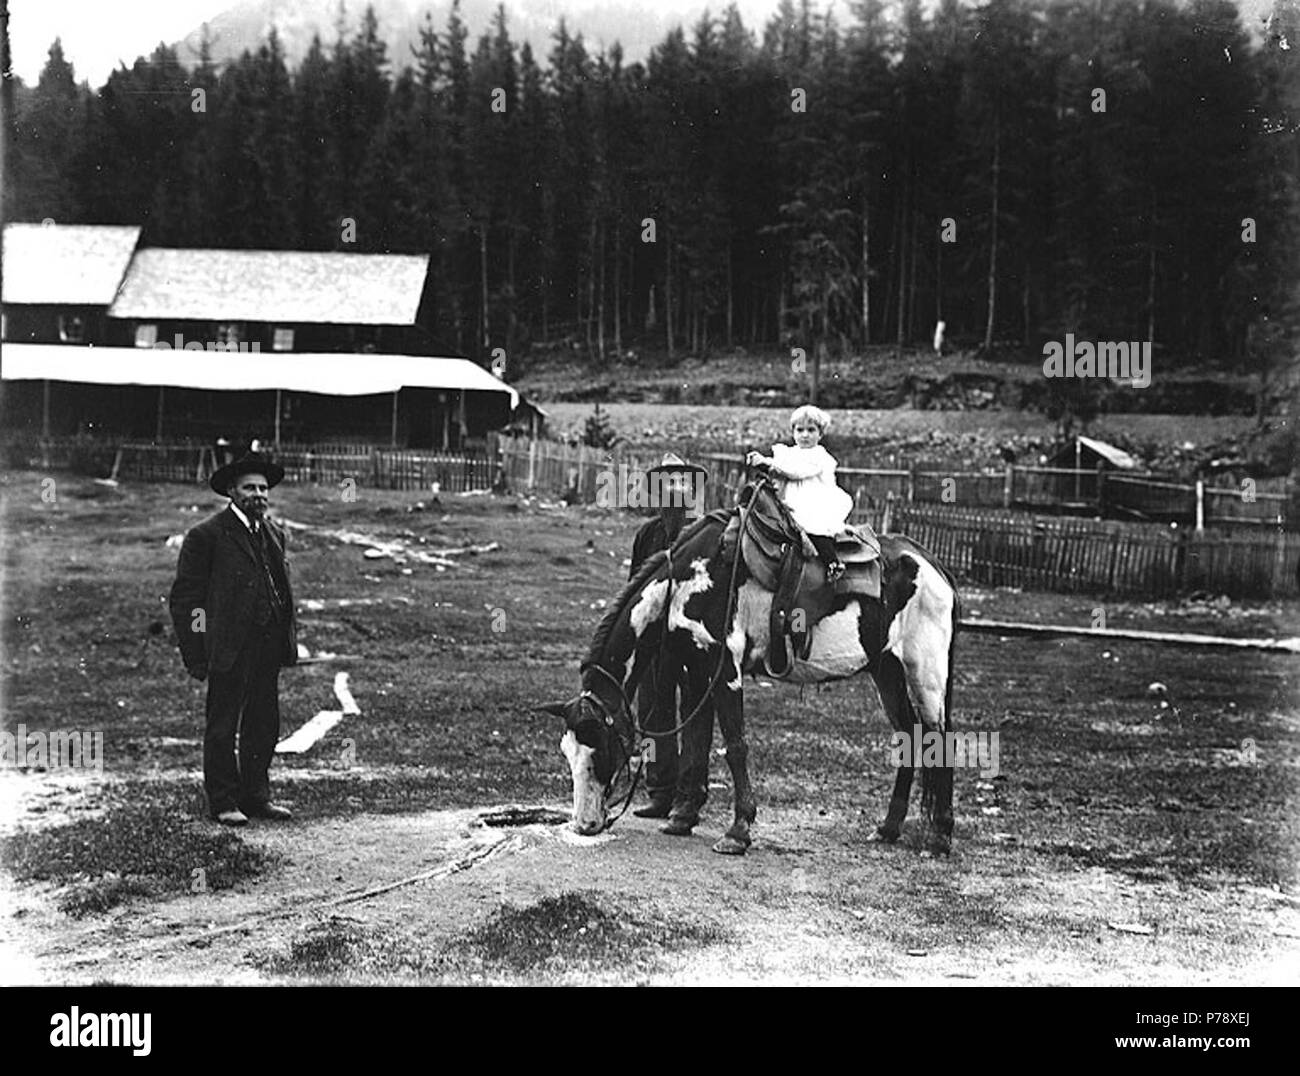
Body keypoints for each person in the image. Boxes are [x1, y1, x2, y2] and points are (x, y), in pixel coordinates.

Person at [169, 452, 297, 826]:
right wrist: (197, 649)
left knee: (263, 723)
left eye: (263, 488)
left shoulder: (273, 534)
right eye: (249, 488)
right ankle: (223, 801)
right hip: (227, 647)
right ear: (231, 491)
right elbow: (187, 600)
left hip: (267, 646)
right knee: (223, 725)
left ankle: (256, 796)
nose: (258, 494)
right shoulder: (206, 536)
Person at [628, 452, 707, 819]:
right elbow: (634, 588)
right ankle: (660, 790)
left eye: (680, 480)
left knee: (693, 714)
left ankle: (689, 796)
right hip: (656, 642)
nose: (673, 487)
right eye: (666, 481)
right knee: (652, 714)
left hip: (693, 640)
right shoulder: (647, 534)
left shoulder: (706, 531)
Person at [746, 404, 854, 581]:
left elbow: (796, 472)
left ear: (820, 434)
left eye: (811, 430)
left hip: (814, 502)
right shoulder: (790, 453)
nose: (805, 435)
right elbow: (781, 468)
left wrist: (767, 463)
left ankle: (832, 563)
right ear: (793, 432)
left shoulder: (819, 456)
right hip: (792, 500)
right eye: (800, 430)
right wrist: (762, 463)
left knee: (813, 527)